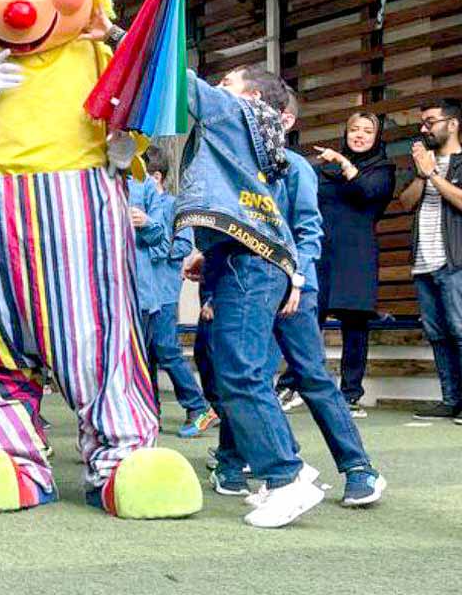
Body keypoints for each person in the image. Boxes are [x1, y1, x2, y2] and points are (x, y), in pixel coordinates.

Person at [177, 64, 383, 527]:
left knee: (268, 375)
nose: (219, 89)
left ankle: (316, 472)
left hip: (276, 275)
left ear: (251, 100)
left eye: (228, 83)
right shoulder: (246, 142)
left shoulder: (253, 130)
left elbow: (305, 230)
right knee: (242, 372)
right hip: (246, 264)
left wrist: (111, 31)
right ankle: (275, 465)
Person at [312, 113, 396, 414]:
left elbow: (367, 193)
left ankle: (350, 393)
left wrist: (346, 165)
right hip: (322, 251)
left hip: (357, 255)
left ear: (376, 137)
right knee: (311, 320)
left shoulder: (383, 168)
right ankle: (298, 385)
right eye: (354, 130)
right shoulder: (325, 167)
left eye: (367, 131)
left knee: (355, 324)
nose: (359, 135)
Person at [130, 148, 211, 438]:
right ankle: (150, 411)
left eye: (138, 176)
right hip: (141, 291)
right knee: (146, 353)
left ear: (156, 177)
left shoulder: (174, 206)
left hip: (163, 290)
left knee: (166, 349)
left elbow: (181, 247)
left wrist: (152, 243)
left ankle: (197, 406)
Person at [401, 99, 462, 420]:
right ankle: (450, 400)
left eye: (430, 122)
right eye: (422, 124)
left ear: (452, 124)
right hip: (423, 264)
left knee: (461, 330)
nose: (424, 129)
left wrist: (433, 174)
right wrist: (424, 175)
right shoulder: (423, 164)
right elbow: (406, 203)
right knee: (437, 334)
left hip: (456, 263)